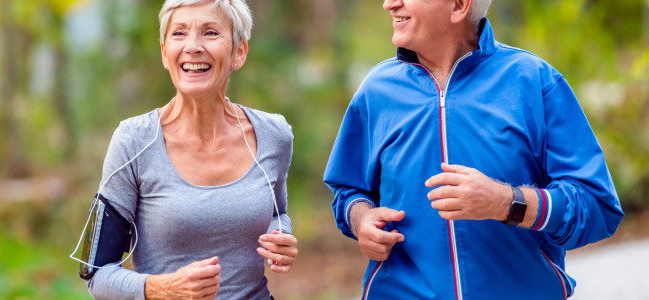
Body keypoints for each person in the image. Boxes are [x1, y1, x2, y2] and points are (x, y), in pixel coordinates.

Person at [323, 0, 624, 299]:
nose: (389, 4)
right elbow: (348, 190)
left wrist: (507, 202)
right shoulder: (376, 91)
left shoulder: (534, 82)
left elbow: (597, 206)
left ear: (458, 5)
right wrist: (361, 219)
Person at [72, 0, 298, 299]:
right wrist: (162, 288)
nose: (193, 46)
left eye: (210, 33)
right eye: (179, 34)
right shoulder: (134, 141)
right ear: (165, 53)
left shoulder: (273, 134)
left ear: (238, 53)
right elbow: (96, 273)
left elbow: (276, 211)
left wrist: (281, 234)